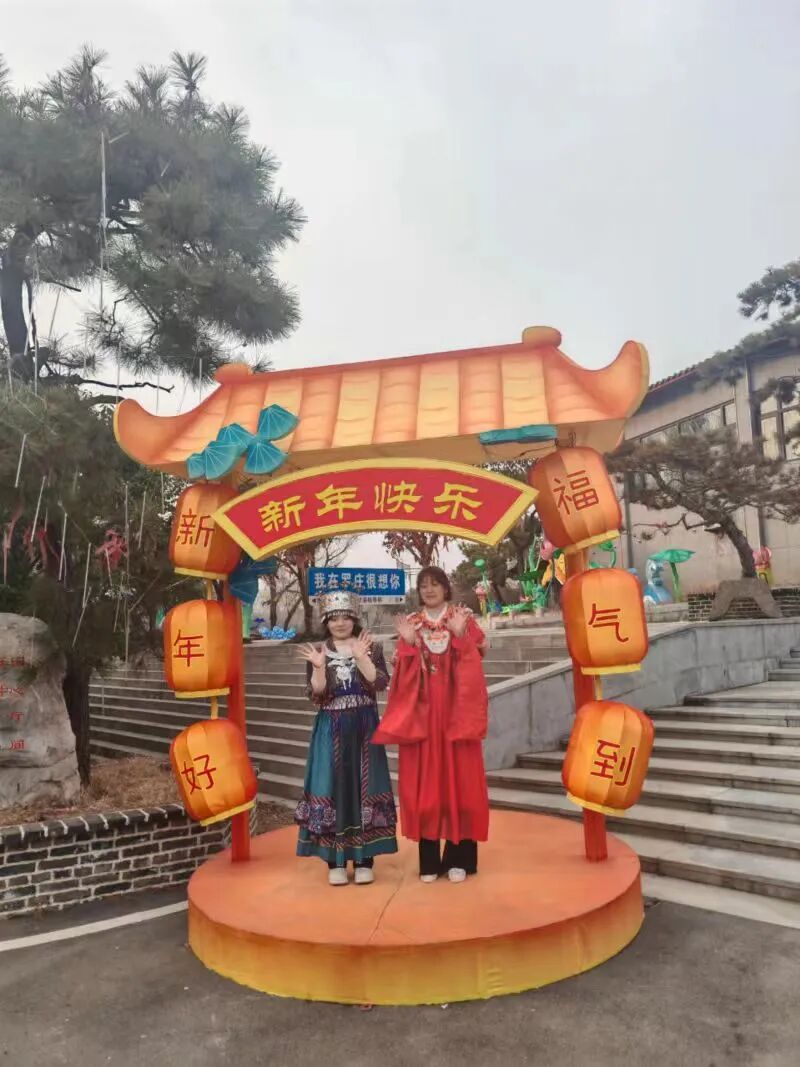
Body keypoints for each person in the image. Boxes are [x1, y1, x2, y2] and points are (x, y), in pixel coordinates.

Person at [372, 566, 489, 883]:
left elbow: (480, 653)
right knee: (426, 786)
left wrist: (462, 636)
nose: (429, 589)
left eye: (435, 584)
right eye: (423, 585)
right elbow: (401, 674)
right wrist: (409, 644)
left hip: (456, 713)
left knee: (461, 783)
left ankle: (460, 858)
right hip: (423, 716)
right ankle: (429, 861)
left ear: (446, 588)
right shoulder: (412, 623)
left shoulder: (462, 616)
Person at [295, 590, 398, 885]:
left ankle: (365, 859)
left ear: (354, 619)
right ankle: (335, 861)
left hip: (365, 727)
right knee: (333, 787)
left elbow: (378, 682)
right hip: (331, 728)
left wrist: (361, 657)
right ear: (326, 622)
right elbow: (317, 694)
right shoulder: (319, 651)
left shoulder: (371, 647)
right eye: (333, 618)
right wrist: (318, 668)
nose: (340, 623)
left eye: (345, 617)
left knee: (366, 787)